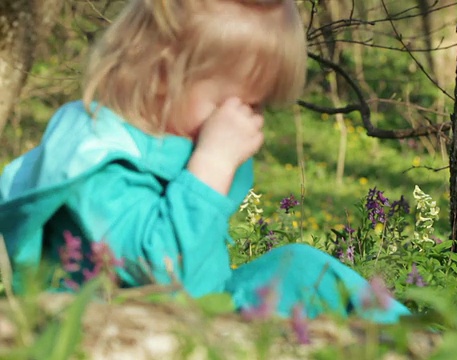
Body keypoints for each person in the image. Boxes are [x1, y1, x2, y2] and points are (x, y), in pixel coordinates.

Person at [0, 0, 410, 323]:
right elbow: (161, 274)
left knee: (304, 268)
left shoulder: (168, 135)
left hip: (202, 305)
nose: (246, 118)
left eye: (257, 105)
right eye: (231, 102)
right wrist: (212, 162)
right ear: (164, 75)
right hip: (126, 325)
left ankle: (425, 346)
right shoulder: (98, 160)